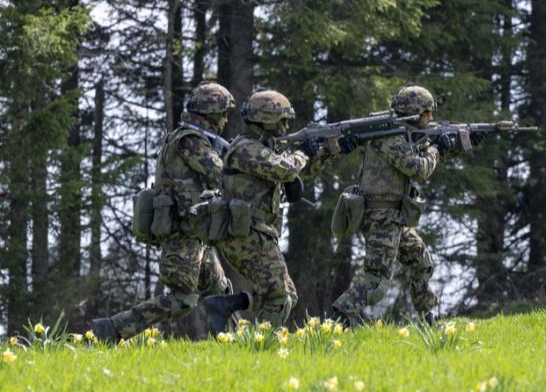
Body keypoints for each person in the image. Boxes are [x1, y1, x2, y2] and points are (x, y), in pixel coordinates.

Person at [92, 82, 235, 342]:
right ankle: (112, 330)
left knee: (220, 292)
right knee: (182, 299)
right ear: (209, 113)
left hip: (196, 232)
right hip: (182, 232)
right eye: (222, 113)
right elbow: (220, 174)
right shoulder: (190, 141)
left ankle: (238, 345)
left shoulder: (194, 138)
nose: (225, 120)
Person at [203, 90, 356, 332]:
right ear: (266, 119)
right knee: (279, 297)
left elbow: (298, 173)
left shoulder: (264, 147)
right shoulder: (245, 148)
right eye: (282, 120)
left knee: (288, 295)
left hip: (256, 233)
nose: (286, 126)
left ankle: (230, 304)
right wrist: (303, 151)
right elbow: (284, 169)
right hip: (246, 235)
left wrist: (329, 150)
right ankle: (257, 347)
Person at [332, 85, 483, 324]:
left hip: (395, 217)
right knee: (377, 281)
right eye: (426, 113)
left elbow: (428, 156)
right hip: (381, 217)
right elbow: (419, 168)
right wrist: (437, 148)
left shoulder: (405, 135)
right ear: (414, 114)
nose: (430, 118)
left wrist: (462, 143)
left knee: (421, 262)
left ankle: (428, 319)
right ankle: (338, 316)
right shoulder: (388, 137)